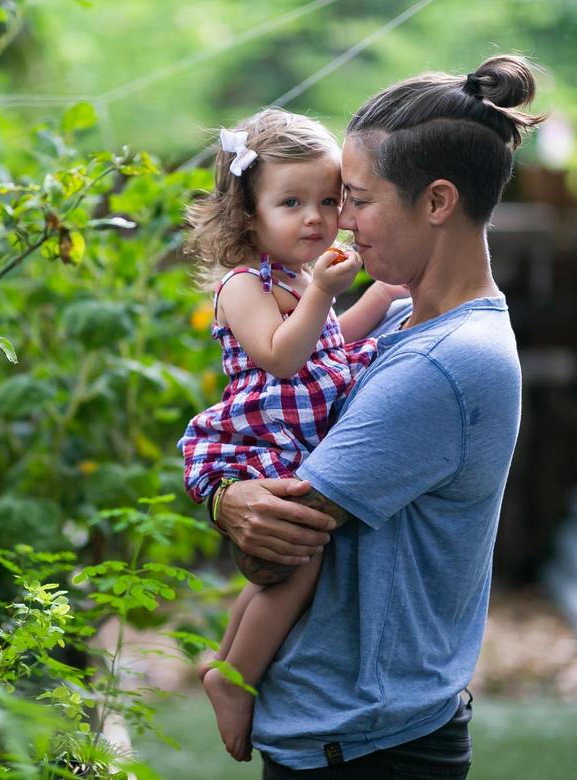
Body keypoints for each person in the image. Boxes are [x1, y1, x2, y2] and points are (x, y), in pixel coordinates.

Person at [209, 55, 543, 778]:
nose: (339, 223)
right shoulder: (401, 322)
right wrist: (227, 493)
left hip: (367, 747)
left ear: (437, 202)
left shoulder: (441, 364)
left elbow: (270, 551)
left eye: (354, 200)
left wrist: (230, 499)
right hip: (348, 732)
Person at [176, 107, 408, 762]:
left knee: (279, 570)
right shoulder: (243, 286)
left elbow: (334, 342)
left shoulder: (303, 279)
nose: (316, 217)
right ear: (249, 216)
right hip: (262, 442)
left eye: (328, 200)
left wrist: (380, 297)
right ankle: (236, 679)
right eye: (291, 203)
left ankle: (225, 663)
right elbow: (280, 355)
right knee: (299, 568)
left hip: (295, 437)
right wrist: (324, 296)